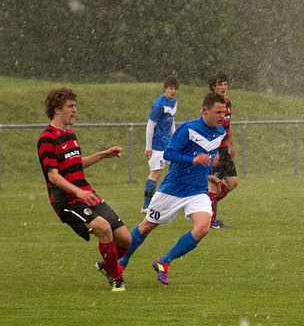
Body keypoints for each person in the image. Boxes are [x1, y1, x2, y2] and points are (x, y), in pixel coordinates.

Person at [117, 92, 227, 285]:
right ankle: (121, 262)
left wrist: (210, 174)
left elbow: (207, 156)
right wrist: (192, 160)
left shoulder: (220, 132)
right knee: (146, 226)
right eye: (218, 112)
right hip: (173, 188)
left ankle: (163, 262)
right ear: (205, 110)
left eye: (224, 112)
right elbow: (169, 153)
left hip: (197, 191)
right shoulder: (188, 129)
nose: (222, 116)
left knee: (202, 228)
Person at [37, 87, 132, 292]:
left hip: (86, 194)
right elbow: (53, 175)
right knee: (103, 228)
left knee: (125, 239)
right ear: (56, 109)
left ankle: (107, 264)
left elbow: (75, 163)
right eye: (70, 106)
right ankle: (116, 278)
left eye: (75, 106)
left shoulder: (70, 135)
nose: (75, 110)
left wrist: (102, 155)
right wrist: (78, 192)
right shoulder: (46, 138)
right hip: (67, 200)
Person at [141, 75, 179, 214]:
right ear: (165, 89)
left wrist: (175, 139)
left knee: (176, 170)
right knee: (155, 173)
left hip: (168, 145)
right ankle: (146, 206)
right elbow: (150, 126)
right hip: (157, 146)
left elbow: (171, 121)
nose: (173, 91)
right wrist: (148, 147)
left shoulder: (174, 102)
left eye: (175, 88)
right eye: (170, 88)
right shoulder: (158, 105)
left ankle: (168, 201)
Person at [207, 70, 238, 228]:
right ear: (213, 87)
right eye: (220, 84)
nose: (223, 87)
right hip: (215, 149)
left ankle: (205, 205)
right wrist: (213, 152)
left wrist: (231, 145)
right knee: (214, 183)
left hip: (225, 148)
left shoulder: (228, 103)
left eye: (225, 84)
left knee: (232, 182)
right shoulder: (211, 104)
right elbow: (210, 127)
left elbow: (228, 126)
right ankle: (211, 220)